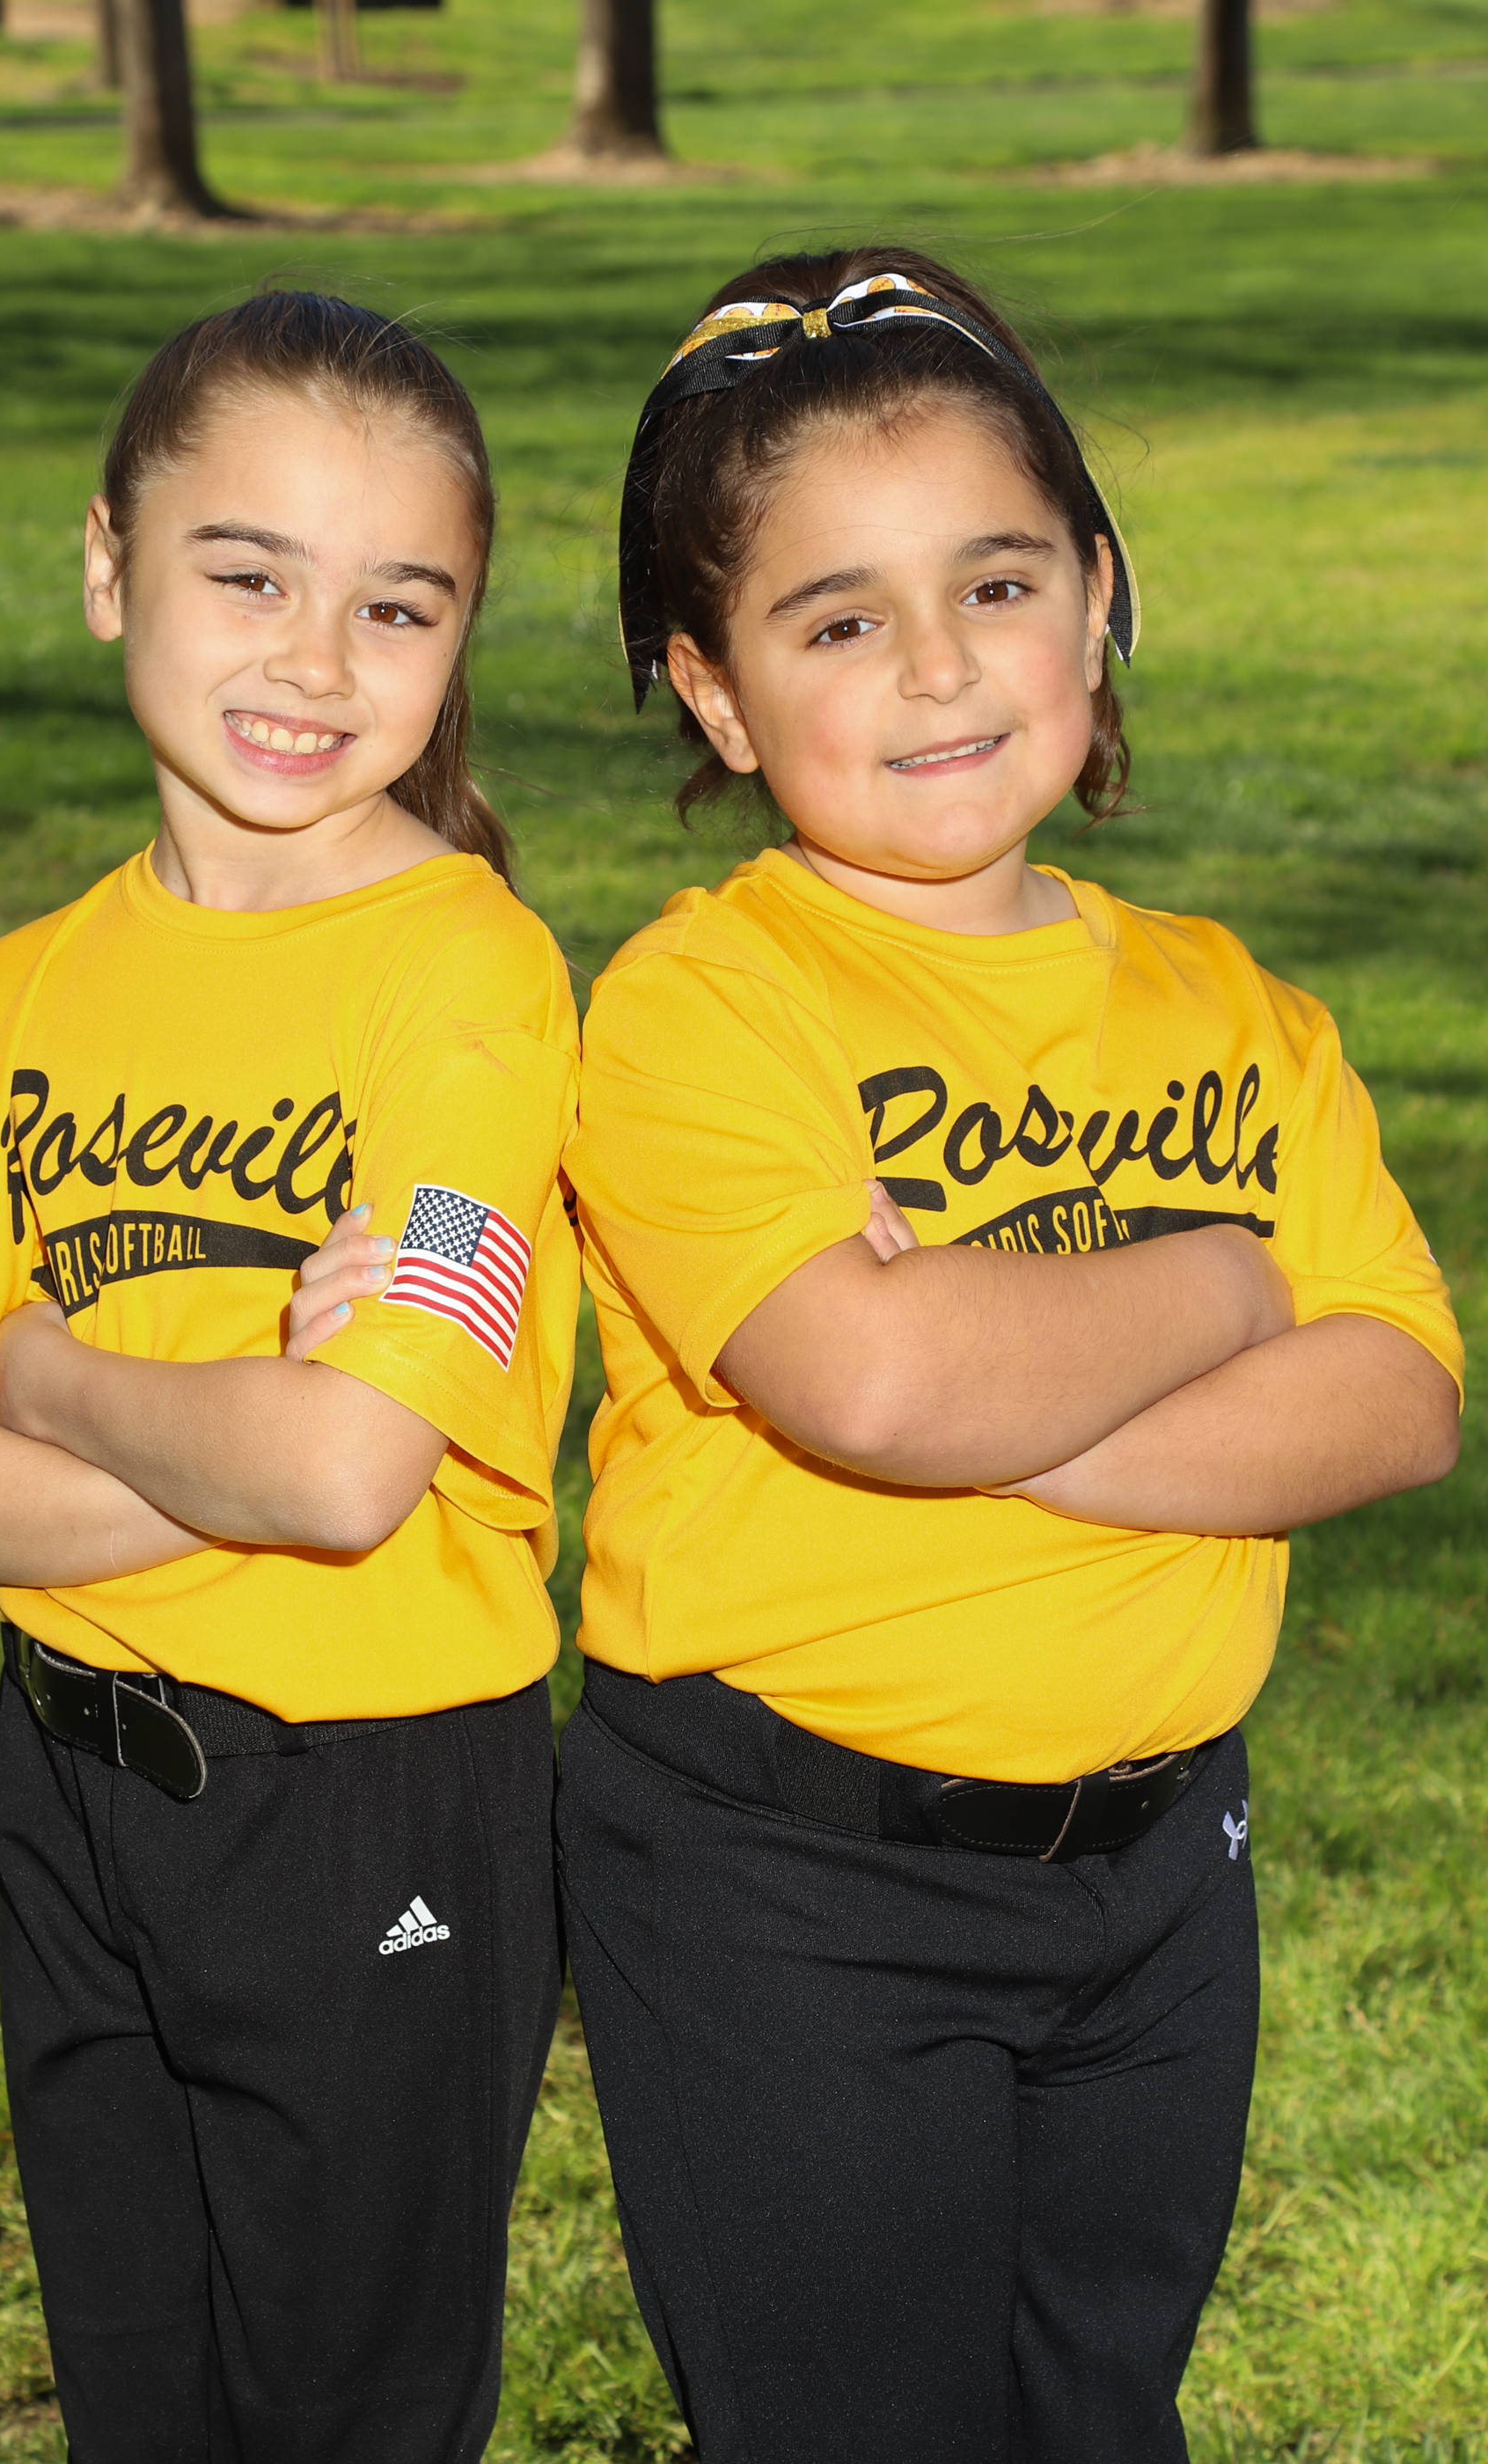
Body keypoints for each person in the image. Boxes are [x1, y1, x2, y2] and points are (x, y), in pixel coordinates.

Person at [559, 245, 1463, 2464]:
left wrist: (1000, 1377)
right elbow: (870, 1388)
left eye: (994, 582)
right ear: (711, 692)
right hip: (791, 1878)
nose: (938, 665)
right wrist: (1223, 1285)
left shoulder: (1234, 1007)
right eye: (835, 620)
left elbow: (1399, 1398)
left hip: (1161, 1873)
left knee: (1098, 2411)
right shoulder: (700, 1007)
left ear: (1097, 591)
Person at [0, 291, 578, 2464]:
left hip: (367, 1793)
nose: (315, 662)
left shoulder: (468, 972)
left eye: (396, 607)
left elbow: (347, 1477)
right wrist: (239, 1436)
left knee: (342, 2416)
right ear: (110, 566)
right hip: (69, 1777)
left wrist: (46, 1371)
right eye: (247, 574)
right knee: (139, 2399)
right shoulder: (2, 1005)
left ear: (457, 641)